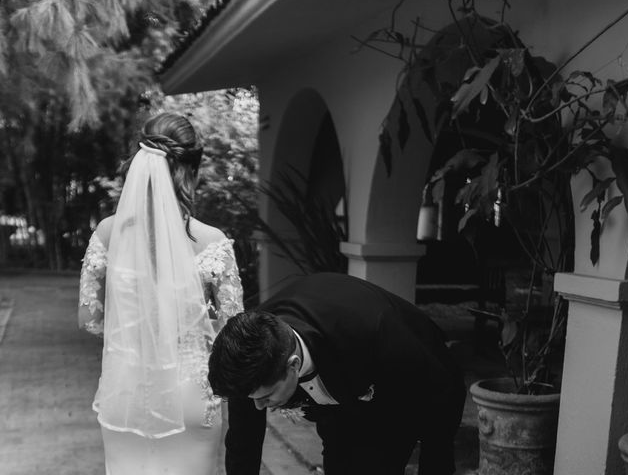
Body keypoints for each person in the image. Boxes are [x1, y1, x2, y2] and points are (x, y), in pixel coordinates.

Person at [78, 112, 244, 475]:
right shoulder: (213, 240)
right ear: (193, 170)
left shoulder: (108, 232)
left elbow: (89, 318)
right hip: (191, 390)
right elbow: (235, 332)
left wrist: (132, 330)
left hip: (126, 390)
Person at [209, 272, 466, 475]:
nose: (258, 406)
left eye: (266, 397)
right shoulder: (251, 353)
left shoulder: (377, 334)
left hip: (397, 394)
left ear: (293, 364)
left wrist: (436, 465)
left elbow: (441, 393)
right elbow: (243, 443)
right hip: (336, 402)